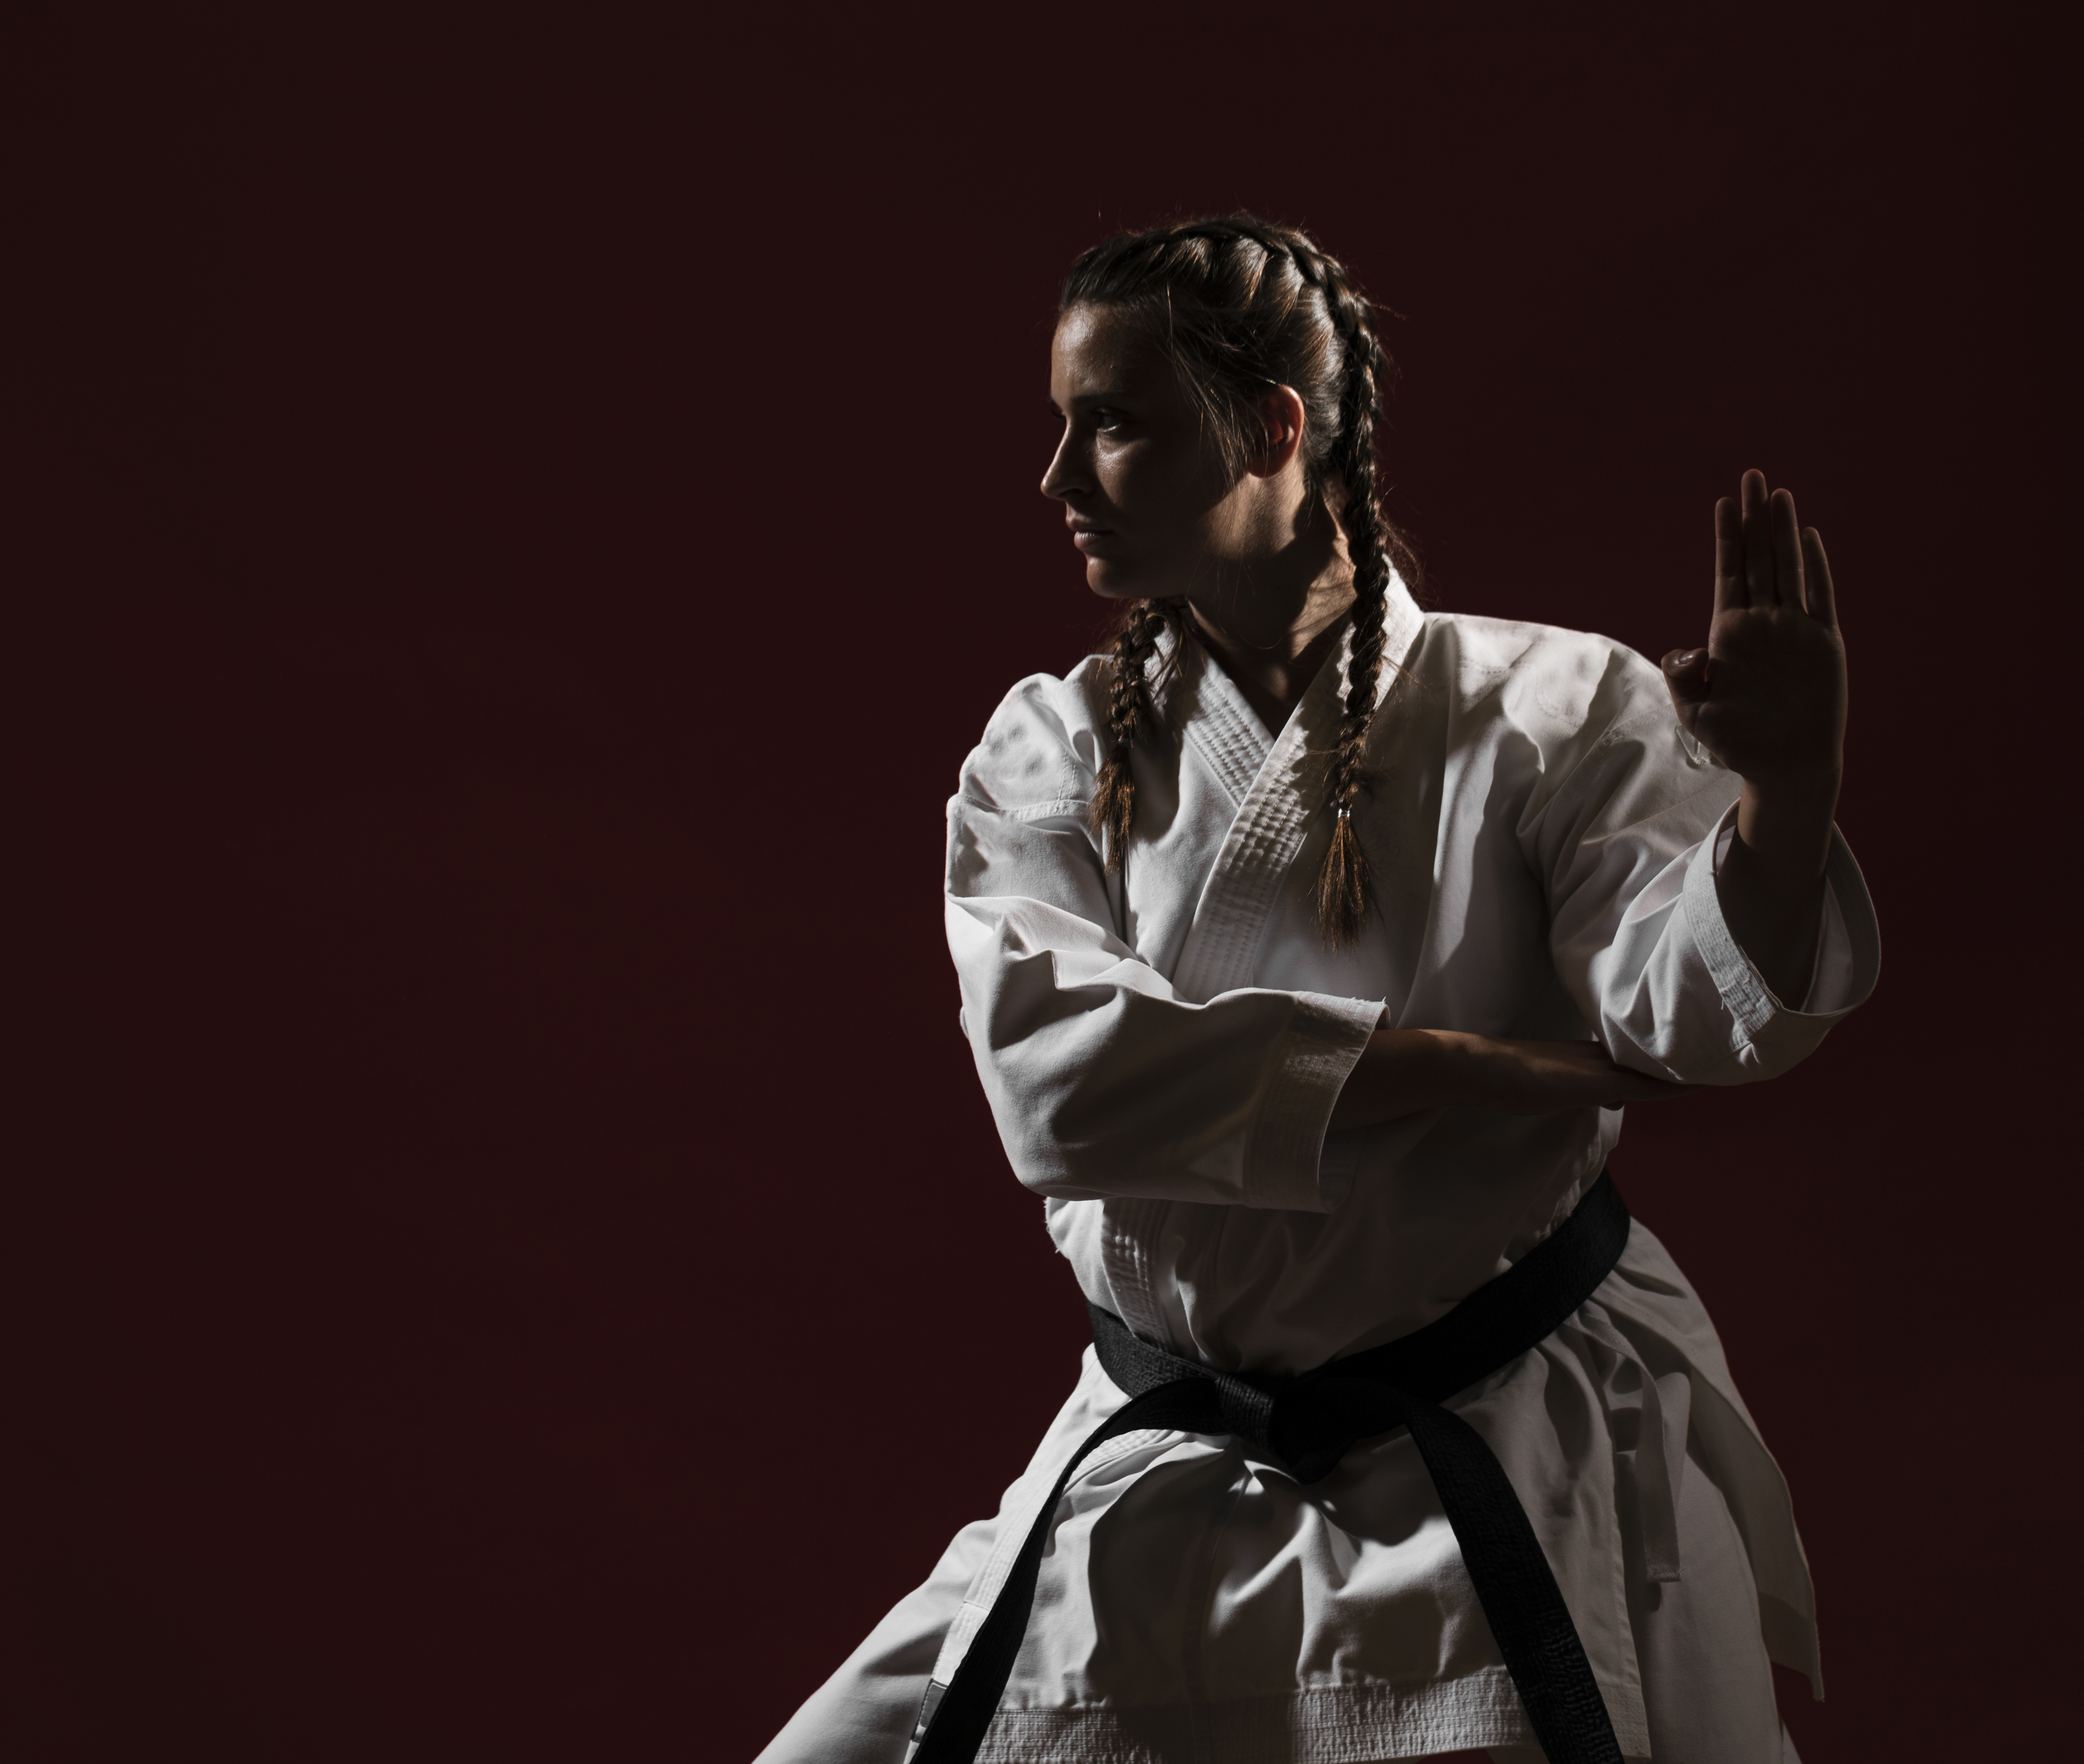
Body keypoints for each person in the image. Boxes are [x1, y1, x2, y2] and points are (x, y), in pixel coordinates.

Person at [754, 217, 1877, 1764]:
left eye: (1115, 422)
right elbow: (1061, 1082)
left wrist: (1784, 809)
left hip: (1491, 1447)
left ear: (1273, 428)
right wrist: (1467, 1068)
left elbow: (1685, 1010)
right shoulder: (1053, 748)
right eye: (1063, 425)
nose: (1058, 476)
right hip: (1166, 1452)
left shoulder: (1552, 710)